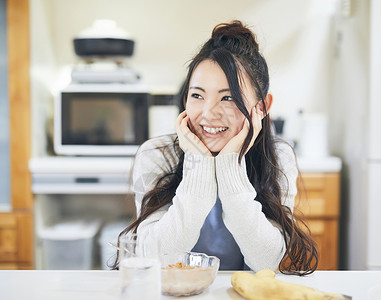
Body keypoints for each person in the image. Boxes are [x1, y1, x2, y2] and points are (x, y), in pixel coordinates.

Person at [113, 20, 318, 275]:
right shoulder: (157, 155)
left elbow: (267, 261)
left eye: (229, 97)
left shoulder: (277, 157)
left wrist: (230, 163)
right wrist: (198, 164)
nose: (208, 114)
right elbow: (156, 259)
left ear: (262, 107)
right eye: (197, 95)